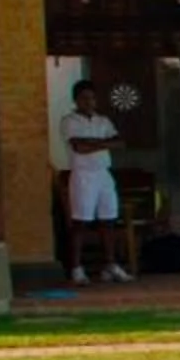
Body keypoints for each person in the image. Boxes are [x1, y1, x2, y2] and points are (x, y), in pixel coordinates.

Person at [59, 77, 130, 285]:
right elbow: (79, 147)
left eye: (92, 98)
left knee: (108, 219)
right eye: (84, 98)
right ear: (76, 100)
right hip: (83, 175)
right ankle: (76, 268)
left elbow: (120, 142)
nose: (89, 102)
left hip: (103, 173)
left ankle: (110, 265)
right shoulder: (69, 121)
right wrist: (104, 143)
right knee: (80, 222)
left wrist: (93, 143)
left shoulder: (103, 121)